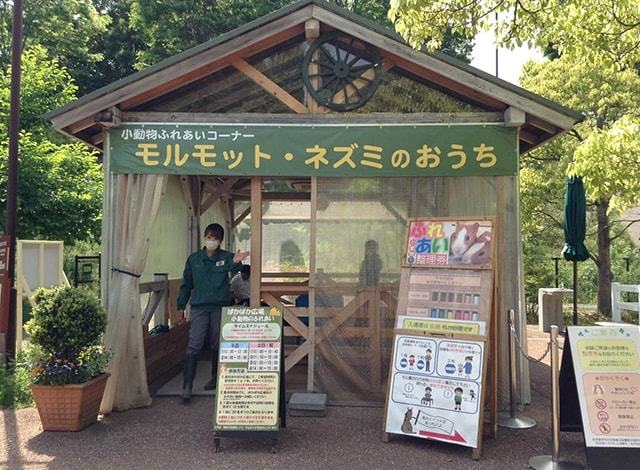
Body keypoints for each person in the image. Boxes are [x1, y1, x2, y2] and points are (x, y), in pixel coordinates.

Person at [177, 223, 249, 402]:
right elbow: (186, 284)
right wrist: (180, 307)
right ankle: (187, 385)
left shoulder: (226, 257)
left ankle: (215, 378)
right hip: (199, 307)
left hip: (219, 306)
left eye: (215, 238)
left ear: (220, 240)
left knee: (218, 342)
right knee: (195, 342)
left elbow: (236, 268)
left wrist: (238, 260)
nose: (212, 240)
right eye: (209, 237)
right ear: (204, 237)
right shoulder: (194, 259)